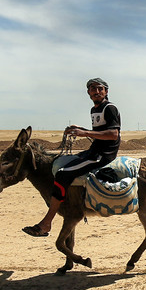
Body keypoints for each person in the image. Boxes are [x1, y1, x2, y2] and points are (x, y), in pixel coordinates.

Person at [24, 78, 121, 237]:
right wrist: (80, 129)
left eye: (99, 89)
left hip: (102, 155)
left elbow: (113, 134)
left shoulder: (110, 108)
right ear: (88, 92)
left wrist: (85, 133)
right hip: (93, 151)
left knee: (63, 174)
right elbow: (101, 131)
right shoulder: (95, 109)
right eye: (92, 89)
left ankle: (46, 223)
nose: (96, 92)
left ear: (106, 91)